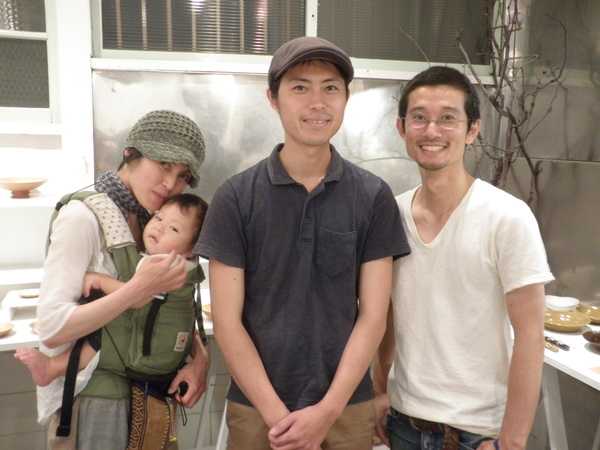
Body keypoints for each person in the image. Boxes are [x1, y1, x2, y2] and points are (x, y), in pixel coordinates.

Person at [195, 36, 410, 450]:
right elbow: (227, 321)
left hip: (346, 408)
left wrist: (327, 411)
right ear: (273, 99)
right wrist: (279, 417)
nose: (317, 102)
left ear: (346, 97)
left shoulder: (372, 195)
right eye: (300, 87)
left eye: (330, 88)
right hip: (257, 410)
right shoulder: (235, 197)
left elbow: (373, 316)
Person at [373, 66, 555, 450]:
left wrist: (511, 442)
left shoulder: (506, 216)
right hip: (404, 421)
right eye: (419, 117)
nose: (432, 131)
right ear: (402, 128)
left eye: (448, 118)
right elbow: (386, 313)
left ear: (472, 130)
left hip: (476, 432)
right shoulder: (391, 213)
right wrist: (379, 389)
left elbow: (530, 335)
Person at [31, 110, 210, 449]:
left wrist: (200, 357)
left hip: (152, 397)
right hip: (96, 401)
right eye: (163, 164)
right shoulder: (82, 217)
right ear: (130, 153)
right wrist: (136, 291)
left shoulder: (151, 221)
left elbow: (169, 307)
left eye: (183, 175)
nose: (171, 184)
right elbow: (52, 328)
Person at [15, 193, 209, 389]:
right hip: (166, 350)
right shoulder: (187, 264)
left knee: (104, 335)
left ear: (191, 249)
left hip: (151, 350)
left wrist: (101, 280)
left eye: (174, 228)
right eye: (158, 218)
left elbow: (138, 297)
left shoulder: (164, 264)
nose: (159, 227)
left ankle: (53, 367)